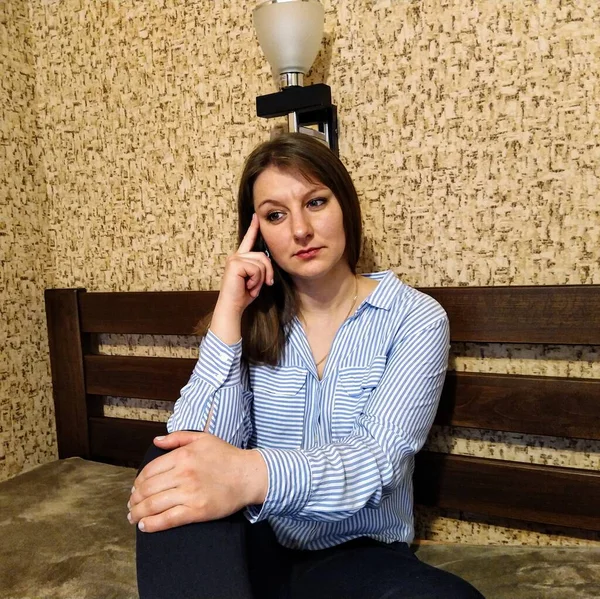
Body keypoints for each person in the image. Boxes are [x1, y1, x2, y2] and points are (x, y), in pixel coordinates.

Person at [128, 133, 484, 599]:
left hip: (357, 554)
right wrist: (228, 312)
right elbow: (196, 440)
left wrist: (249, 475)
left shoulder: (414, 319)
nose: (299, 229)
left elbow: (378, 461)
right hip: (255, 541)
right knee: (171, 464)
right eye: (276, 215)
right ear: (258, 234)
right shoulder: (255, 322)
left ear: (345, 207)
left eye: (315, 202)